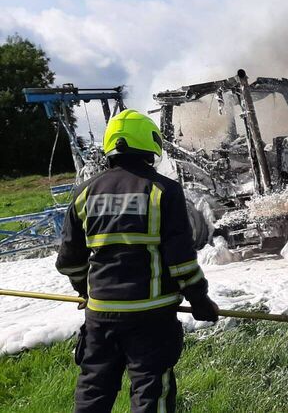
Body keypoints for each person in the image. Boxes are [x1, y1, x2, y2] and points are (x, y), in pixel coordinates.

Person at [56, 110, 219, 413]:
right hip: (150, 317)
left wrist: (86, 290)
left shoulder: (83, 194)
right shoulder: (164, 191)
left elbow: (69, 260)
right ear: (150, 144)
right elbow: (181, 261)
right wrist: (200, 301)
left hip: (100, 317)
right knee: (151, 391)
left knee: (93, 391)